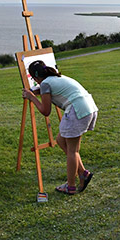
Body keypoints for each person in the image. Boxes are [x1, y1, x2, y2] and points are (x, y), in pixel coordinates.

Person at [22, 60, 97, 195]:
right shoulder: (56, 78)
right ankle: (83, 173)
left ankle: (71, 186)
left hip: (77, 111)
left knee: (73, 151)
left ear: (35, 78)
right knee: (61, 141)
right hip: (89, 108)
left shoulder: (45, 84)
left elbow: (46, 111)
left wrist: (31, 97)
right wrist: (40, 93)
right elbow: (55, 92)